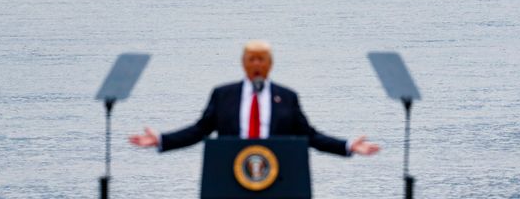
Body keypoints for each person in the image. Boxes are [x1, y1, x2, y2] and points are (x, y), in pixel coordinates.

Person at [130, 40, 380, 156]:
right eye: (252, 59)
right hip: (231, 175)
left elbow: (310, 136)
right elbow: (200, 130)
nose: (257, 64)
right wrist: (162, 139)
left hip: (277, 177)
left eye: (262, 59)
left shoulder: (287, 97)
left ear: (270, 64)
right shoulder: (224, 95)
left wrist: (347, 145)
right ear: (243, 63)